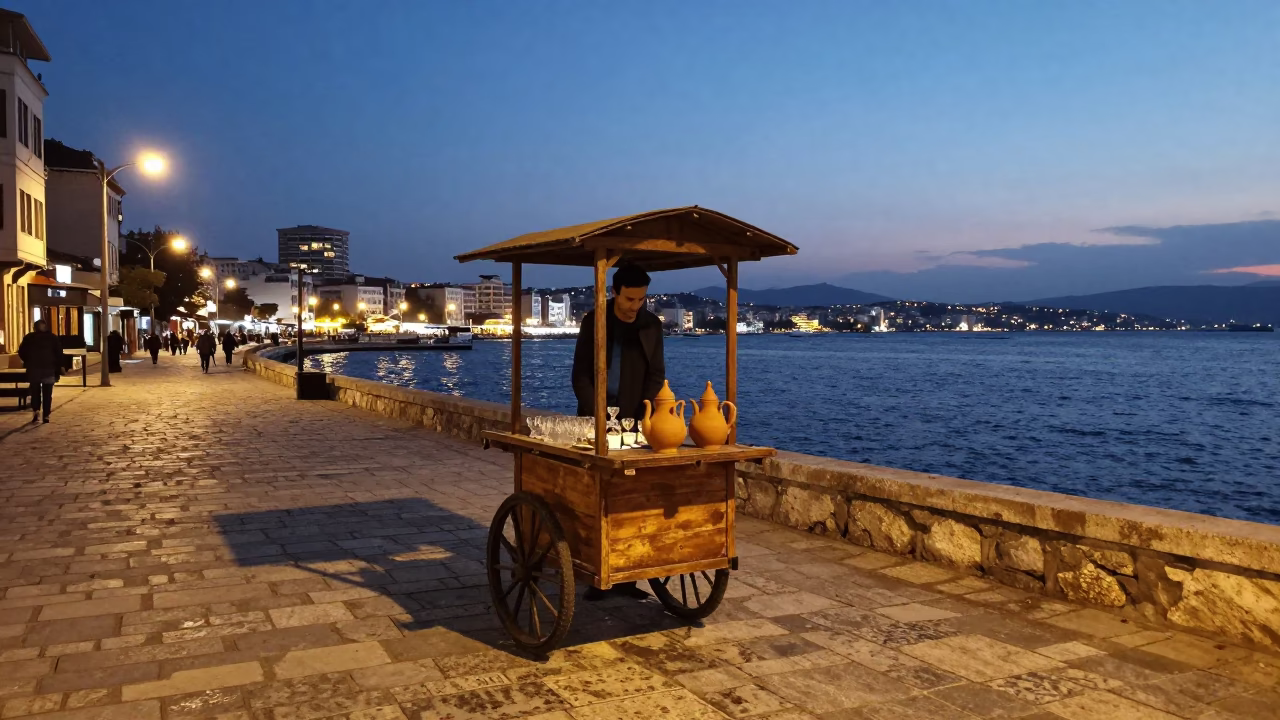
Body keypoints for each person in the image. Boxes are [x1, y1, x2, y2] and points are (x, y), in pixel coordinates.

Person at [571, 263, 665, 600]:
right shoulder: (593, 321)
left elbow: (657, 375)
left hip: (633, 422)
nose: (634, 306)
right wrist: (594, 412)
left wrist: (643, 414)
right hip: (594, 419)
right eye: (629, 299)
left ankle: (627, 576)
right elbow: (580, 372)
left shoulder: (652, 326)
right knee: (596, 497)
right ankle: (596, 572)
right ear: (614, 292)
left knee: (631, 499)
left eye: (641, 299)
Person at [17, 319, 61, 423]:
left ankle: (36, 410)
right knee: (47, 393)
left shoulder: (29, 338)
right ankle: (46, 415)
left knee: (35, 392)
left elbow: (21, 352)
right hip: (48, 369)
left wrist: (28, 361)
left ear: (35, 327)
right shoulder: (52, 338)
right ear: (46, 327)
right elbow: (58, 353)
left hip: (34, 369)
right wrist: (58, 367)